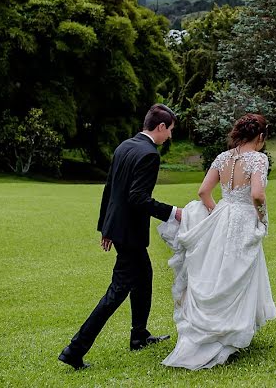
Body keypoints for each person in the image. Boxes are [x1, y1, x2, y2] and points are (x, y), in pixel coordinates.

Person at [58, 104, 183, 371]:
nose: (170, 136)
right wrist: (174, 213)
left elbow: (109, 188)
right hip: (130, 232)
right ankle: (74, 350)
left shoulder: (124, 145)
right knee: (117, 291)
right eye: (170, 130)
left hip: (119, 228)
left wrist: (106, 226)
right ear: (160, 127)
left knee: (144, 276)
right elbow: (137, 198)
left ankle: (139, 335)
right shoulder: (150, 154)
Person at [158, 113, 276, 369]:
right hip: (244, 218)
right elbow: (257, 195)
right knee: (237, 273)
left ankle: (214, 332)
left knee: (218, 272)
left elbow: (203, 192)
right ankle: (229, 334)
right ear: (260, 136)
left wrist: (216, 212)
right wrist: (263, 219)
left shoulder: (223, 157)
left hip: (222, 216)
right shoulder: (258, 159)